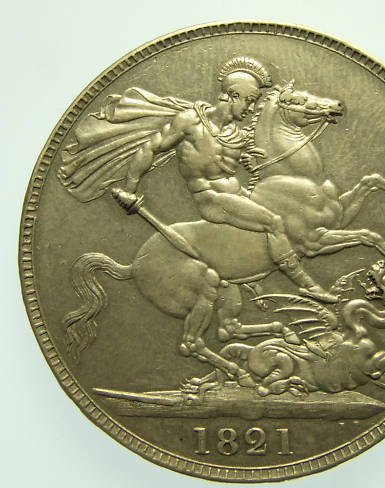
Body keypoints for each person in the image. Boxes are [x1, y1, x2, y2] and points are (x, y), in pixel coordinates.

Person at [113, 56, 336, 303]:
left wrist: (248, 160)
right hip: (211, 199)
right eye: (249, 100)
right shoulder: (191, 121)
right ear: (233, 95)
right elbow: (151, 148)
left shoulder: (235, 133)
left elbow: (228, 163)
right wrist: (129, 189)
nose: (251, 108)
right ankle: (307, 285)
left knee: (289, 216)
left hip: (237, 194)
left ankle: (255, 273)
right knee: (273, 222)